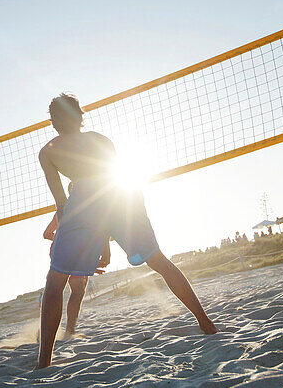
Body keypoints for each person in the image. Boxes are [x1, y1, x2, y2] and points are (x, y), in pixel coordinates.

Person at [36, 94, 217, 369]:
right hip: (122, 195)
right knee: (159, 261)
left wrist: (80, 242)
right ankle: (206, 323)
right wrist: (104, 242)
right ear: (80, 116)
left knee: (55, 281)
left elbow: (63, 204)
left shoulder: (48, 151)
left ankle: (44, 361)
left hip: (88, 198)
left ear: (53, 122)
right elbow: (112, 184)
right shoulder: (100, 140)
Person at [42, 185, 110, 337]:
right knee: (77, 290)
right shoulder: (90, 207)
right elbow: (100, 230)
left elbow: (46, 234)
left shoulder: (62, 209)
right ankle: (69, 331)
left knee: (55, 288)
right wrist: (102, 251)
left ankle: (48, 333)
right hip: (77, 249)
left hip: (59, 250)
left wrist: (60, 238)